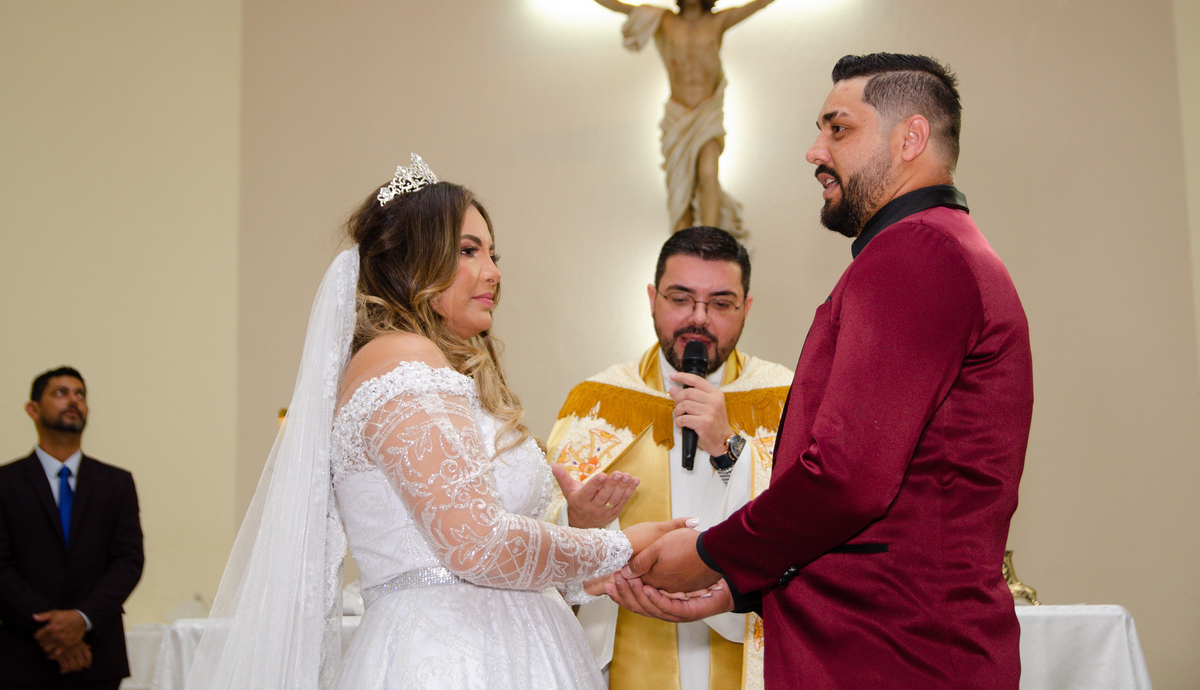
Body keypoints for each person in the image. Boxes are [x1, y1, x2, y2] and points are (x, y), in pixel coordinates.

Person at [181, 154, 690, 690]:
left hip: (505, 647)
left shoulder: (427, 368)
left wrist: (577, 534)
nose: (493, 272)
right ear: (412, 263)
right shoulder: (404, 362)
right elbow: (477, 546)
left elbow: (480, 548)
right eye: (468, 251)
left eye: (492, 253)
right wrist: (621, 546)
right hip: (450, 658)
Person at [616, 54, 1035, 689]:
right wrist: (740, 588)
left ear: (911, 138)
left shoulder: (919, 252)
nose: (815, 151)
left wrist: (710, 555)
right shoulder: (934, 247)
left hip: (897, 651)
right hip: (881, 636)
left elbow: (848, 480)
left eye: (838, 129)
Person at [546, 226, 792, 689]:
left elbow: (807, 522)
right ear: (652, 299)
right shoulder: (598, 403)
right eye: (680, 299)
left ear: (746, 308)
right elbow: (540, 531)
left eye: (720, 304)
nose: (699, 319)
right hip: (629, 645)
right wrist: (575, 520)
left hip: (745, 646)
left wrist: (729, 448)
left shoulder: (783, 398)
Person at [546, 0, 831, 239]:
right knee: (679, 190)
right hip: (678, 115)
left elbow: (761, 2)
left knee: (709, 172)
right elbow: (617, 5)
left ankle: (710, 240)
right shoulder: (664, 21)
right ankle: (683, 247)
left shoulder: (717, 22)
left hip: (707, 112)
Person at [0, 367, 145, 690]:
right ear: (32, 409)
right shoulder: (6, 483)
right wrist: (54, 630)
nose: (73, 401)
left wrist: (81, 619)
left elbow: (128, 561)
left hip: (97, 655)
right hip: (23, 655)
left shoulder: (116, 483)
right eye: (60, 393)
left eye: (80, 394)